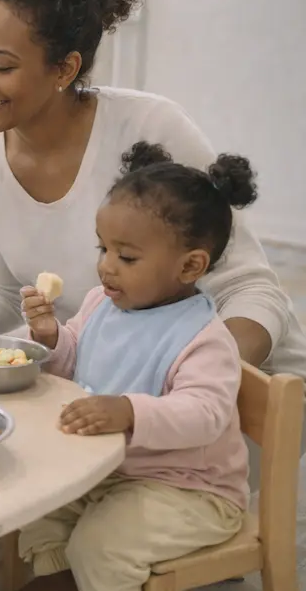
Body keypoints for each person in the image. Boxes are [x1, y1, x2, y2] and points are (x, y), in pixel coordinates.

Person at [0, 0, 306, 518]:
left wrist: (169, 382)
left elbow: (254, 290)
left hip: (206, 410)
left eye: (2, 65)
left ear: (66, 67)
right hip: (98, 384)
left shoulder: (150, 126)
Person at [17, 142, 253, 591]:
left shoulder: (203, 339)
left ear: (190, 265)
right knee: (38, 507)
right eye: (102, 248)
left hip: (188, 491)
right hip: (111, 473)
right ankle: (60, 581)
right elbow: (73, 363)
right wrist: (50, 337)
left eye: (126, 257)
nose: (106, 267)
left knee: (102, 544)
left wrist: (129, 411)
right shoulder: (100, 304)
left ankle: (95, 575)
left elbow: (203, 415)